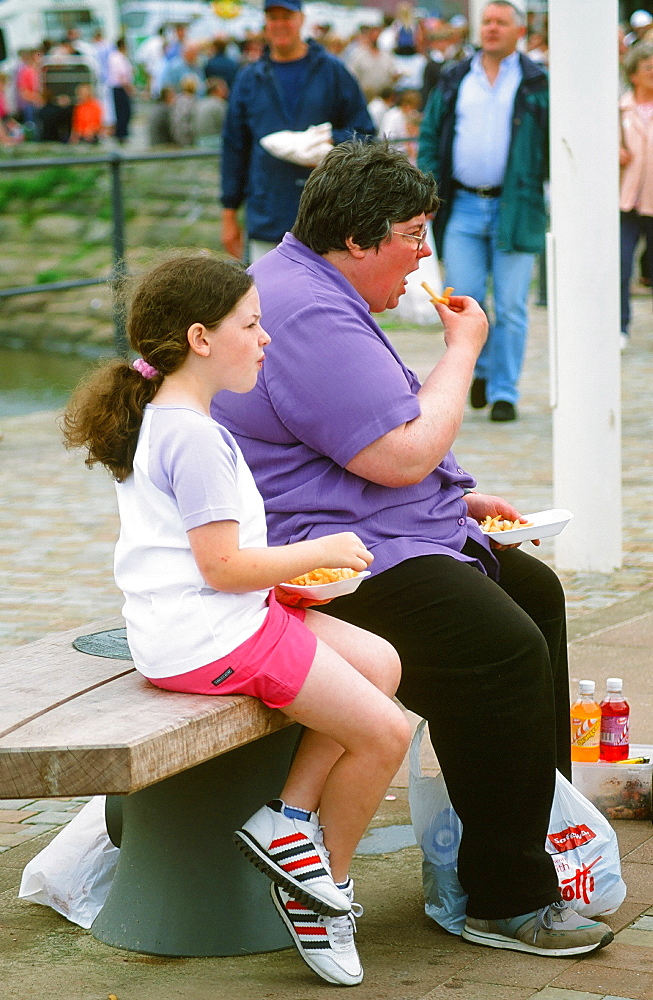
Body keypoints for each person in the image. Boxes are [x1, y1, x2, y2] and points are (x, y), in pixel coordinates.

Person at [213, 140, 615, 961]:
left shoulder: (303, 283)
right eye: (414, 233)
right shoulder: (306, 310)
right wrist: (462, 351)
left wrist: (455, 500)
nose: (425, 253)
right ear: (358, 241)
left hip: (355, 531)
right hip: (315, 561)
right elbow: (397, 453)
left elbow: (342, 438)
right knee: (500, 650)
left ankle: (510, 844)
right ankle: (505, 898)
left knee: (533, 594)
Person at [61, 252, 411, 987]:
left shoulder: (171, 417)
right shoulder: (190, 435)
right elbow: (221, 565)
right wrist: (318, 551)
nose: (265, 339)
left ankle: (287, 819)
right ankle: (324, 893)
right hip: (212, 638)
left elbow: (208, 565)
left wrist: (294, 586)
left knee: (379, 662)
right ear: (199, 338)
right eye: (250, 325)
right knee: (384, 732)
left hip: (202, 624)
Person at [418, 0, 549, 422]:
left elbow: (551, 144)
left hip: (516, 206)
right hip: (463, 206)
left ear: (519, 30)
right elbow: (429, 135)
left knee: (511, 303)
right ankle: (483, 369)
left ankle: (504, 391)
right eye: (486, 21)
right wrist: (427, 192)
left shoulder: (536, 82)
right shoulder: (455, 77)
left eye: (500, 22)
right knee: (465, 296)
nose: (491, 28)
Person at [220, 0, 375, 263]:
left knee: (324, 299)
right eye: (273, 17)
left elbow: (365, 134)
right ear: (265, 23)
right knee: (265, 299)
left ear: (301, 19)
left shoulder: (332, 72)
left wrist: (329, 139)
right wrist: (229, 213)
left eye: (287, 16)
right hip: (267, 213)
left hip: (326, 217)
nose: (280, 24)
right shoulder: (249, 78)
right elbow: (235, 147)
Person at [619, 40, 653, 348]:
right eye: (647, 67)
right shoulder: (620, 108)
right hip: (626, 199)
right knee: (621, 264)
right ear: (633, 74)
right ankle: (621, 326)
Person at [107, 38, 134, 144]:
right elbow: (122, 75)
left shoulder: (114, 57)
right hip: (120, 87)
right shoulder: (119, 58)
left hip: (117, 87)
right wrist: (128, 88)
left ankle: (121, 132)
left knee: (120, 111)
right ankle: (122, 133)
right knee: (124, 111)